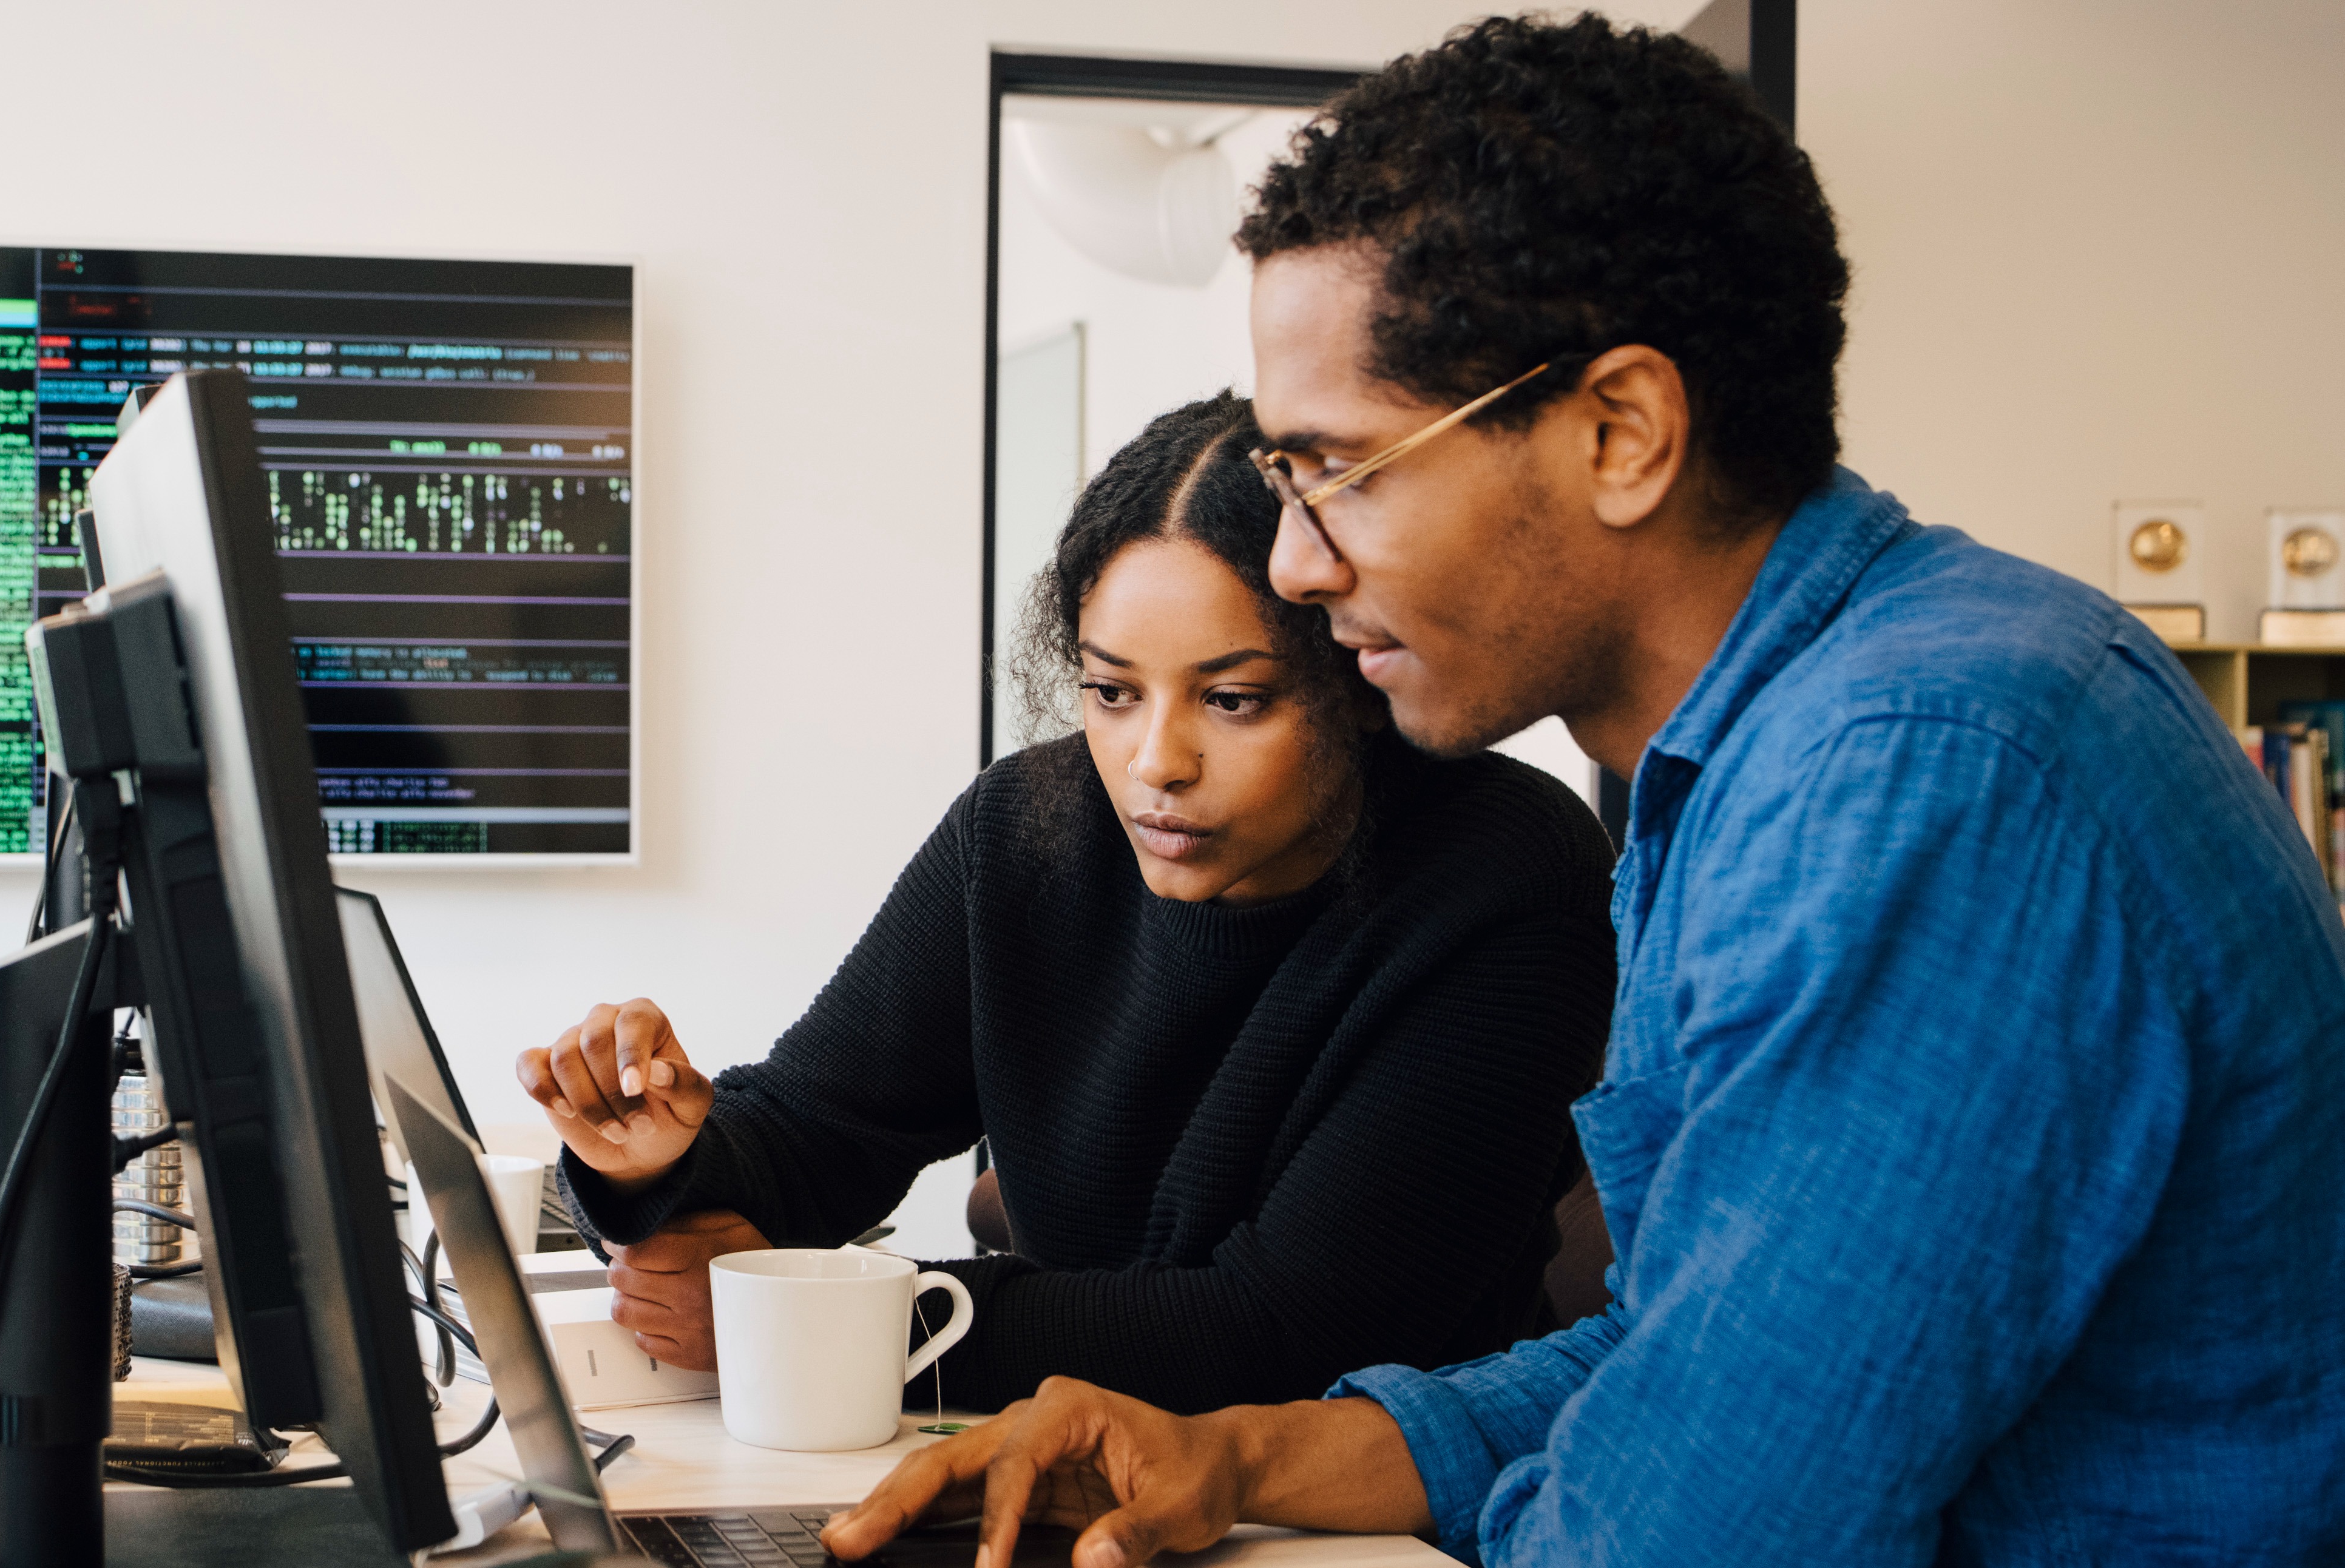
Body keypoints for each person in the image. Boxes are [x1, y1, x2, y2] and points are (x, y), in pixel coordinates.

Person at [821, 16, 2345, 1568]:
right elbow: (1669, 1354)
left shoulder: (1926, 776)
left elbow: (1704, 1530)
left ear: (1621, 434)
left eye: (1335, 472)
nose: (1292, 564)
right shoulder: (1739, 761)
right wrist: (1236, 1451)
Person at [513, 391, 1621, 1417]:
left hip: (1353, 1528)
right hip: (1067, 1463)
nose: (1155, 764)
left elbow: (1290, 1331)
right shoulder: (1028, 828)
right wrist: (655, 1160)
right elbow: (822, 1125)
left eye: (1232, 700)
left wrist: (828, 1325)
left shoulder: (1506, 875)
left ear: (1356, 682)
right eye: (1111, 691)